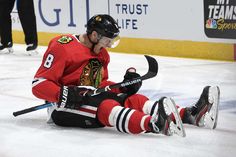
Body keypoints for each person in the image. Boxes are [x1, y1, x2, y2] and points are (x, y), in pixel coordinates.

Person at [32, 14, 220, 137]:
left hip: (89, 96)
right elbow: (38, 84)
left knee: (133, 98)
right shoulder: (62, 46)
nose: (109, 45)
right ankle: (154, 124)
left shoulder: (102, 54)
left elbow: (100, 83)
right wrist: (63, 94)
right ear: (95, 35)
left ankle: (190, 114)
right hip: (63, 108)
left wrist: (122, 86)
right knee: (106, 106)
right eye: (107, 40)